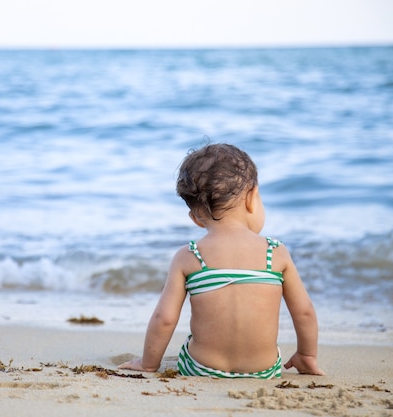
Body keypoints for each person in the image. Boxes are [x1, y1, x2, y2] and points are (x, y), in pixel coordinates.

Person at [119, 143, 324, 378]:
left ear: (195, 218)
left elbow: (164, 319)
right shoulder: (275, 252)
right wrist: (306, 356)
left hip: (201, 369)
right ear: (252, 198)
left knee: (192, 345)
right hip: (263, 371)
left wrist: (148, 364)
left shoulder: (189, 256)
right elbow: (305, 312)